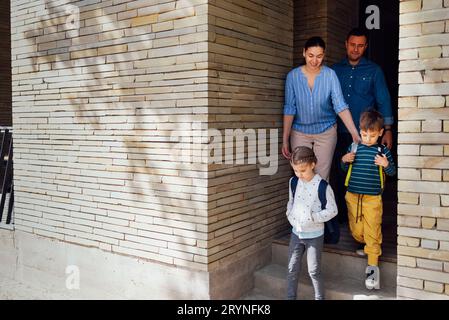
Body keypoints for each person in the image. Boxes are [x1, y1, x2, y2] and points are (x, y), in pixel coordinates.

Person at [331, 27, 394, 221]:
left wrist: (388, 130)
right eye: (352, 45)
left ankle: (364, 219)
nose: (356, 49)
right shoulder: (334, 70)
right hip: (338, 132)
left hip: (367, 135)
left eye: (360, 45)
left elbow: (383, 99)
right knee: (339, 173)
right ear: (346, 44)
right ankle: (343, 218)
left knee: (364, 175)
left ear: (365, 46)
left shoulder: (374, 70)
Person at [282, 36, 360, 182]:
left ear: (323, 55)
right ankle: (303, 206)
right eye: (311, 55)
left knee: (322, 178)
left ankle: (321, 205)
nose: (314, 60)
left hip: (326, 132)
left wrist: (354, 133)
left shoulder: (330, 75)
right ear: (304, 52)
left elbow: (340, 105)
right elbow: (289, 109)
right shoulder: (293, 77)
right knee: (302, 175)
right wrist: (285, 139)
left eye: (319, 56)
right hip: (300, 132)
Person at [341, 110, 396, 290]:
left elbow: (392, 172)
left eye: (372, 135)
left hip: (373, 199)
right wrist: (344, 159)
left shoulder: (383, 151)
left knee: (373, 231)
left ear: (380, 133)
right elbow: (342, 168)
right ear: (360, 130)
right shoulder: (355, 147)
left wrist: (386, 165)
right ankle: (367, 245)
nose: (367, 138)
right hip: (353, 197)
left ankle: (372, 269)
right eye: (364, 134)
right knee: (356, 230)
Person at [286, 146, 338, 300]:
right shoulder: (294, 182)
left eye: (303, 170)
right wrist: (290, 214)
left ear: (313, 164)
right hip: (296, 233)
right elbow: (291, 201)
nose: (299, 175)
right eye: (296, 171)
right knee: (291, 268)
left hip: (314, 235)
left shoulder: (322, 186)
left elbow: (332, 210)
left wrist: (313, 217)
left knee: (314, 271)